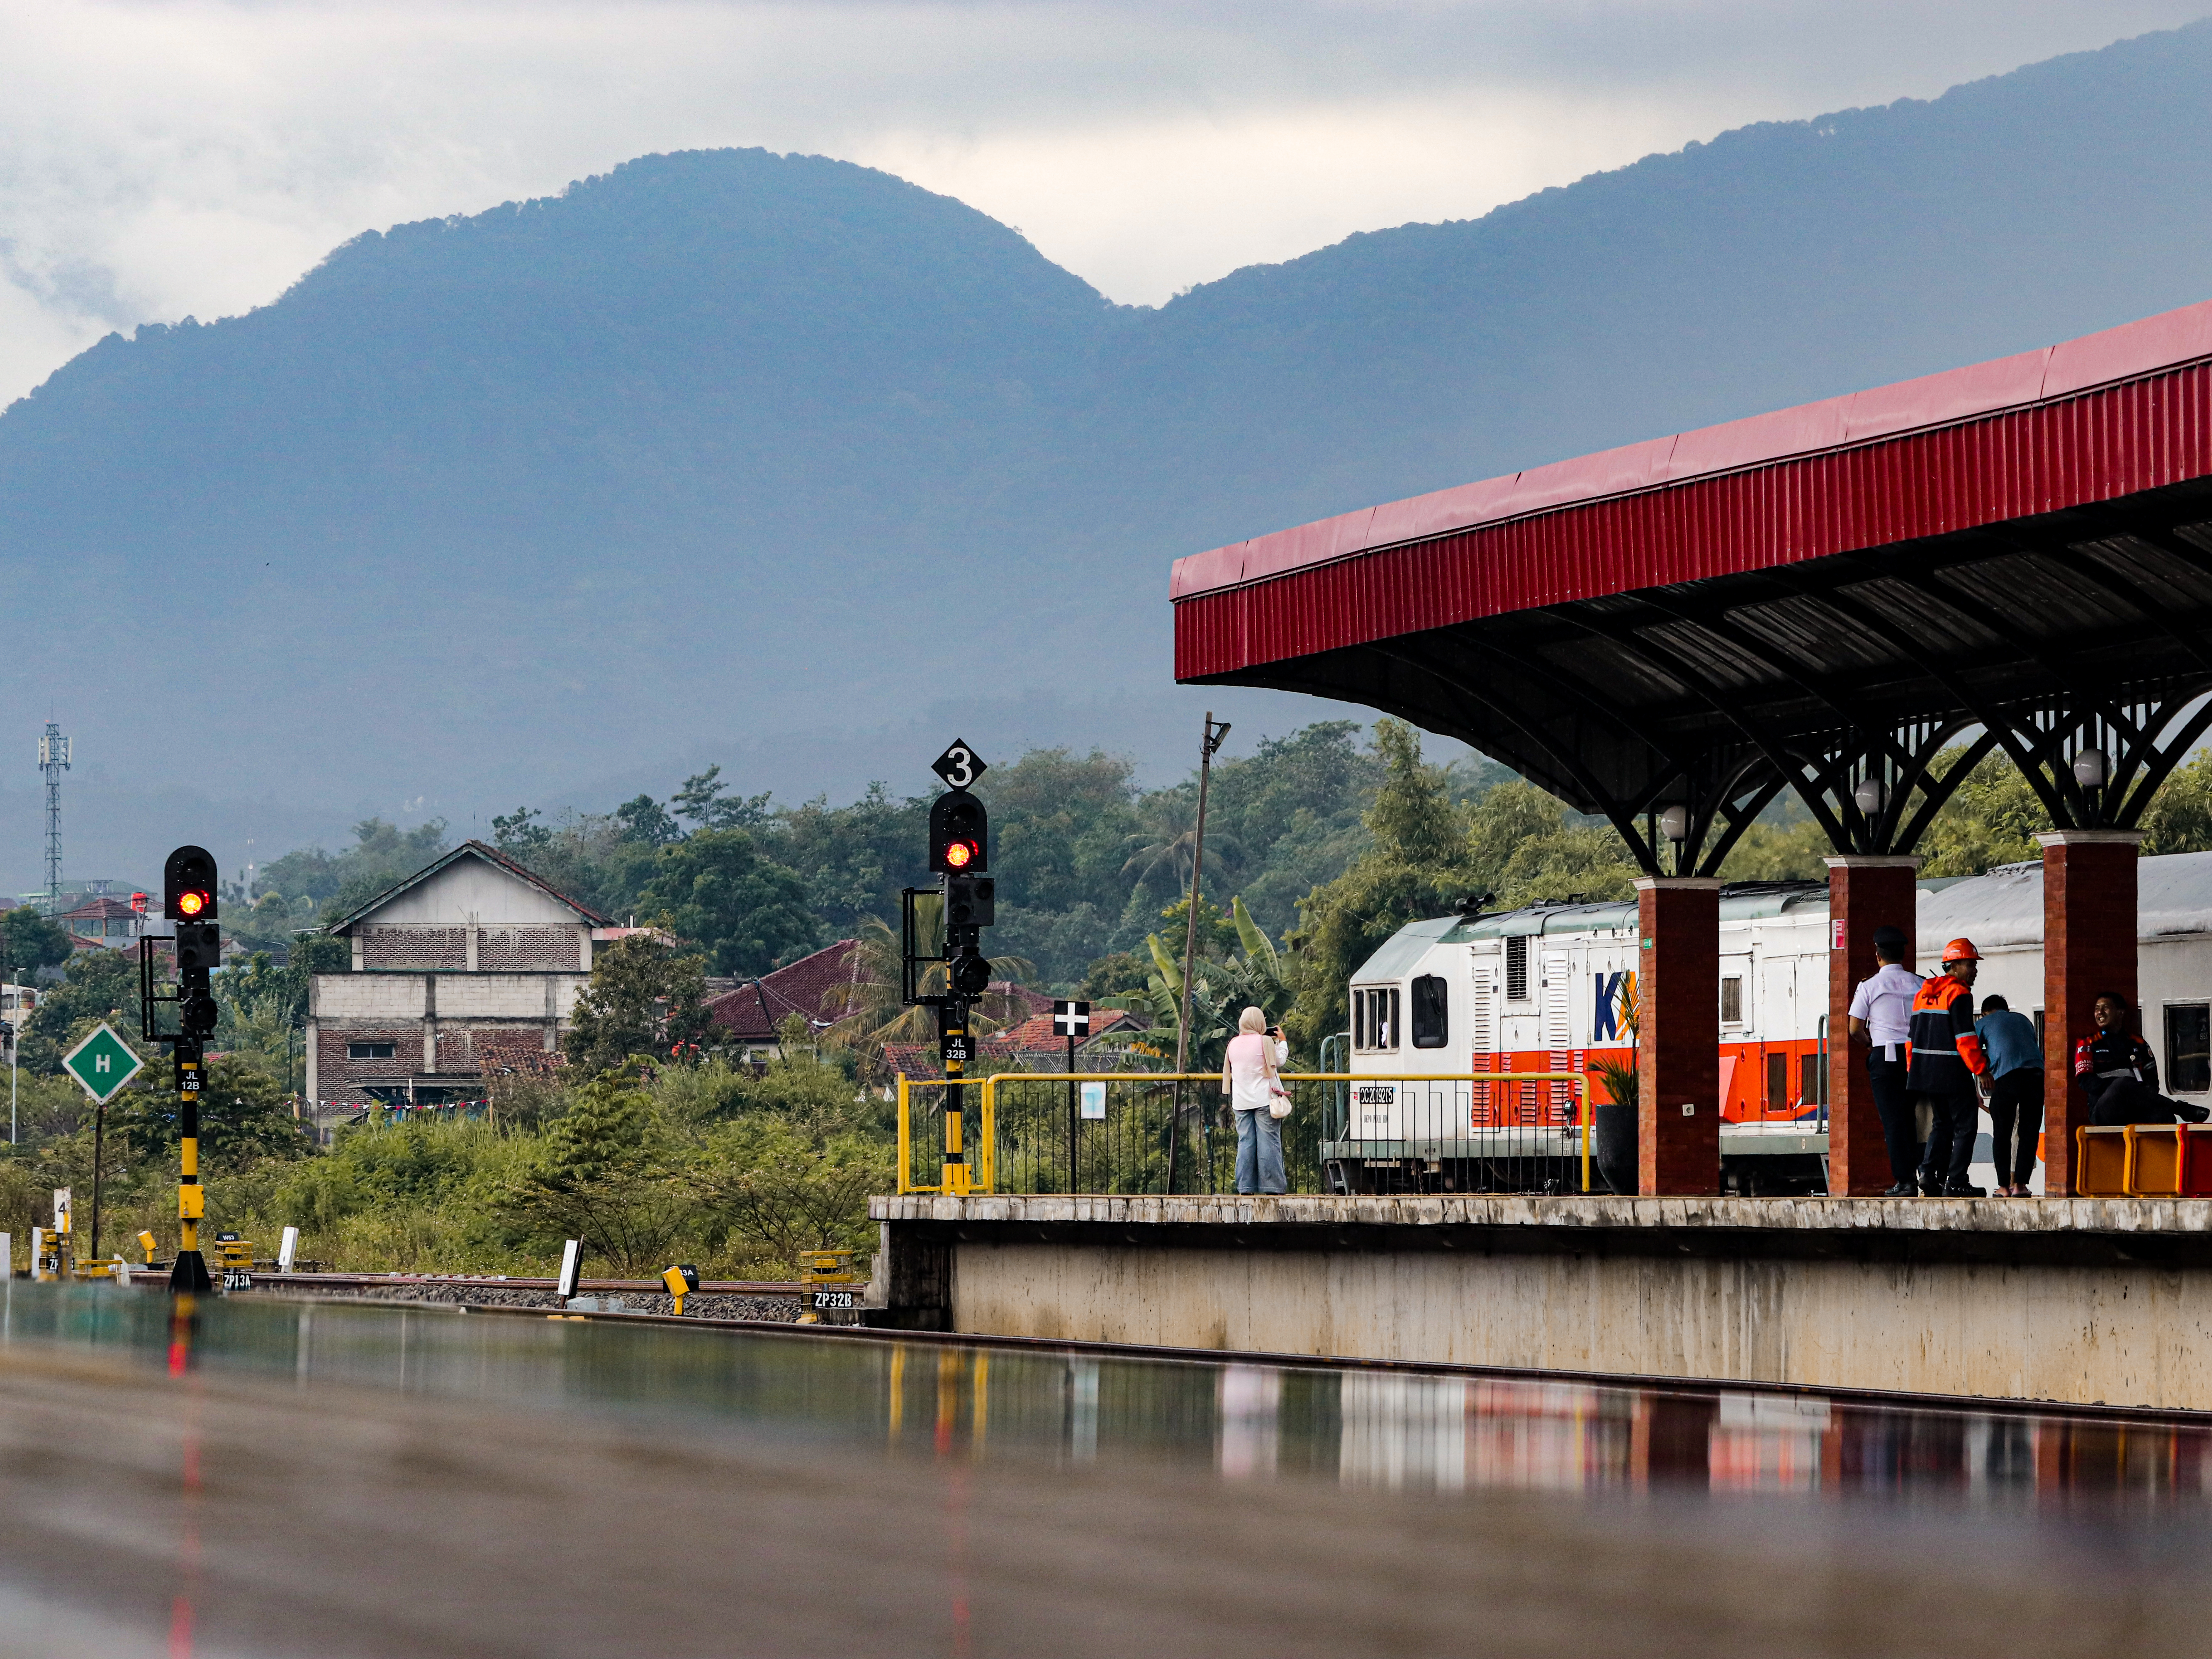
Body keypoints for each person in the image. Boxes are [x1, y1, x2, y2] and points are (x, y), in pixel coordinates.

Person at [1908, 938, 1991, 1196]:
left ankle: (1928, 1175)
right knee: (1966, 1126)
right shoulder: (1960, 993)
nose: (1975, 970)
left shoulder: (1923, 993)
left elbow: (1911, 1038)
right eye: (1970, 964)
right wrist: (1981, 1071)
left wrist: (1915, 1070)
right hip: (1952, 1072)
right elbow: (1965, 1038)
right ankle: (1956, 1181)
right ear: (1953, 966)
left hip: (1925, 1072)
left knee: (1941, 1123)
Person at [1847, 924, 1925, 1197]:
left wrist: (1870, 1044)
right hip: (1916, 1057)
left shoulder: (1869, 986)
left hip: (1885, 1055)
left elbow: (1854, 1028)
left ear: (1877, 955)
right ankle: (1924, 1173)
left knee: (1893, 1122)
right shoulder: (1921, 984)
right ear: (1903, 954)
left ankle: (1905, 1181)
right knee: (1913, 1120)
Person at [2074, 993, 2212, 1126]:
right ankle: (2181, 1108)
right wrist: (2122, 1089)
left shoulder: (2138, 1043)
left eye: (2105, 1008)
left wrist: (2134, 1094)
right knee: (2122, 1085)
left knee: (2165, 1117)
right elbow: (2086, 1082)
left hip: (2134, 1107)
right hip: (2104, 1110)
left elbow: (2152, 1081)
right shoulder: (2088, 1043)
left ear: (2120, 1012)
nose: (2100, 1013)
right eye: (2097, 1009)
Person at [1975, 994, 2043, 1196]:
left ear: (1985, 1013)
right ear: (2006, 1009)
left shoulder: (1984, 1023)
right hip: (2036, 1075)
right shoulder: (2024, 1020)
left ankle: (2004, 1187)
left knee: (2002, 1134)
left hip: (2006, 1077)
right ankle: (2021, 1186)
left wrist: (1978, 1082)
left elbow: (1971, 1052)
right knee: (2029, 1132)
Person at [1222, 1006, 1289, 1195]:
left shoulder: (1233, 1044)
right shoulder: (1265, 1041)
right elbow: (1280, 1060)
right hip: (1264, 1101)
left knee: (1246, 1142)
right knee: (1269, 1142)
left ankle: (1245, 1187)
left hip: (1241, 1102)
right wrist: (1282, 1041)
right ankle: (1272, 1187)